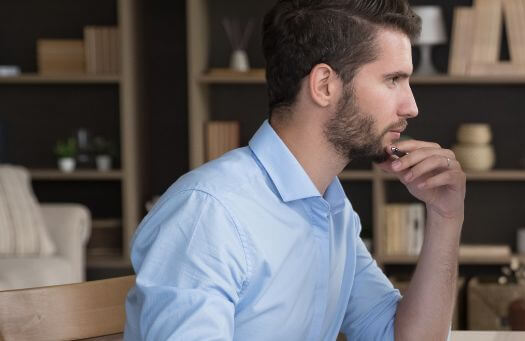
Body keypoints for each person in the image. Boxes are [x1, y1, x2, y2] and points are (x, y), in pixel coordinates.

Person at [123, 0, 465, 339]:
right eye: (393, 79)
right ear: (324, 85)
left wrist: (445, 218)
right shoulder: (208, 214)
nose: (412, 106)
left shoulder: (332, 210)